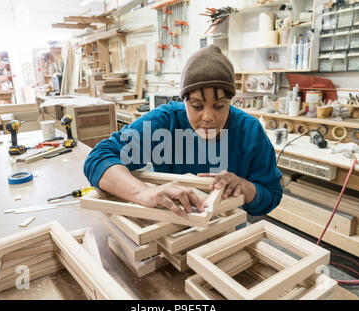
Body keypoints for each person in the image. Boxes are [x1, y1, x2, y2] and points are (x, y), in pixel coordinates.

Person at [84, 44, 283, 217]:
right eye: (197, 106)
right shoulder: (164, 123)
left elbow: (272, 195)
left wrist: (244, 186)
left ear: (230, 101)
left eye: (219, 106)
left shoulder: (249, 131)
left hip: (226, 230)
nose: (208, 117)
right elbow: (99, 158)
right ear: (184, 101)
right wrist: (144, 193)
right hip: (171, 222)